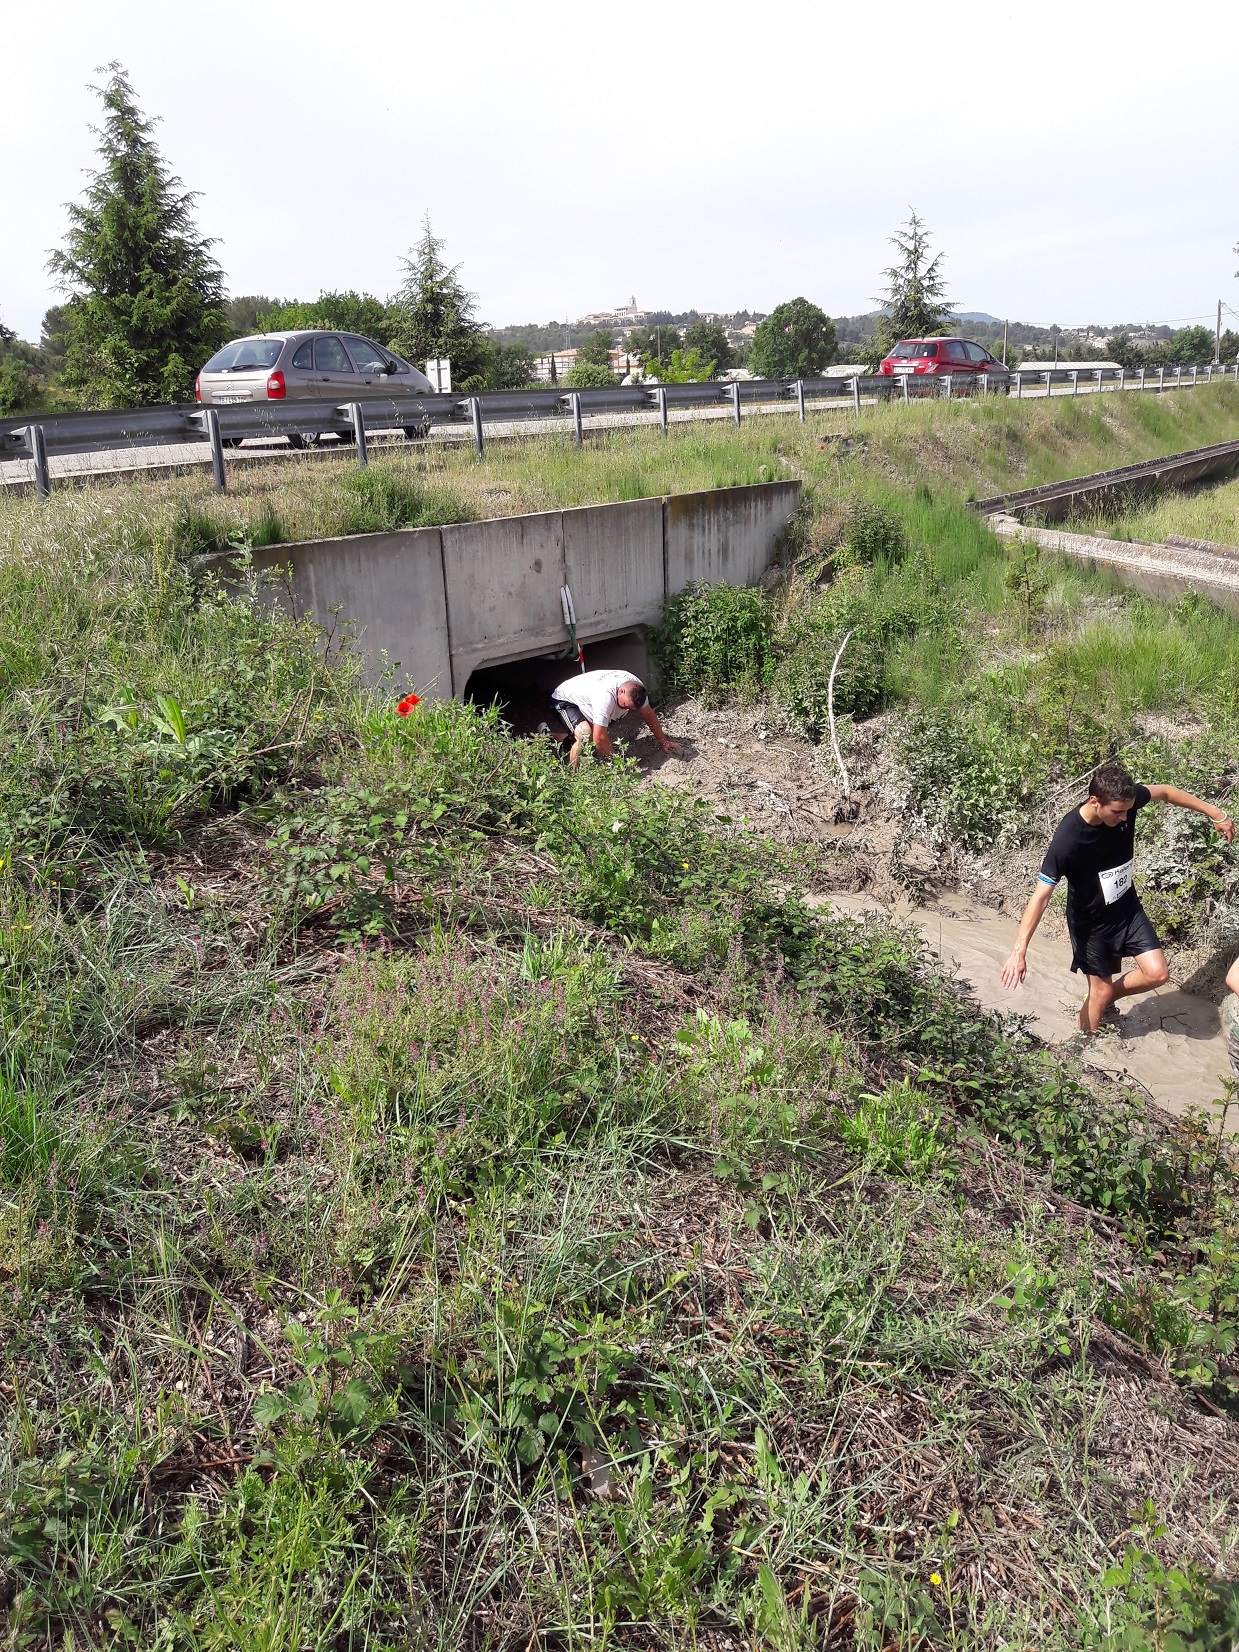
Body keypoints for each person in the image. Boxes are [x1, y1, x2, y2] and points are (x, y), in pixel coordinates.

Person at [1000, 761, 1234, 1035]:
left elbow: (1167, 792)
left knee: (1157, 974)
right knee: (1099, 991)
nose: (1125, 818)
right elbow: (1041, 895)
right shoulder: (1068, 838)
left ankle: (1105, 998)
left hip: (1126, 907)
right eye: (1118, 812)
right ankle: (1080, 1052)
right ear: (1095, 801)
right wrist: (1019, 951)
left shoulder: (1126, 801)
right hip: (1091, 923)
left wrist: (1215, 813)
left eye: (1127, 810)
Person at [546, 669, 679, 769]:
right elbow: (599, 739)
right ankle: (574, 779)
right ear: (620, 692)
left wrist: (663, 741)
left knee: (583, 739)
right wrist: (618, 763)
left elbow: (648, 715)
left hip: (586, 699)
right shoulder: (605, 696)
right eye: (624, 705)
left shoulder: (637, 689)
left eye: (630, 709)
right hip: (563, 699)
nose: (626, 710)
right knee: (584, 733)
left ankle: (546, 735)